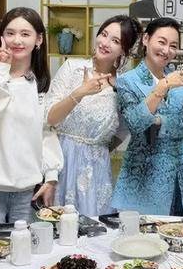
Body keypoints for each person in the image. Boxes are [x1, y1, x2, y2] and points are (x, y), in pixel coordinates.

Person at [0, 7, 63, 236]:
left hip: (26, 188)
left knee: (24, 248)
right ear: (1, 37)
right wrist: (0, 69)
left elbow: (46, 133)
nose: (16, 40)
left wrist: (51, 177)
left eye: (25, 34)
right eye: (10, 33)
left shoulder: (41, 85)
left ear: (38, 40)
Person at [110, 17, 183, 215]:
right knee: (147, 231)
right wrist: (162, 88)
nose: (167, 50)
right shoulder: (127, 81)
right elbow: (135, 124)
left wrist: (158, 121)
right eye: (162, 42)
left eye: (173, 46)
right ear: (146, 39)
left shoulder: (180, 78)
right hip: (145, 175)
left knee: (182, 230)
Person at [45, 15, 142, 216]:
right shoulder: (72, 67)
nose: (105, 43)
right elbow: (50, 118)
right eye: (103, 34)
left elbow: (123, 130)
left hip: (96, 168)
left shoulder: (122, 85)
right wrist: (80, 92)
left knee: (94, 225)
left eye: (115, 41)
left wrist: (97, 147)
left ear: (124, 50)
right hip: (61, 160)